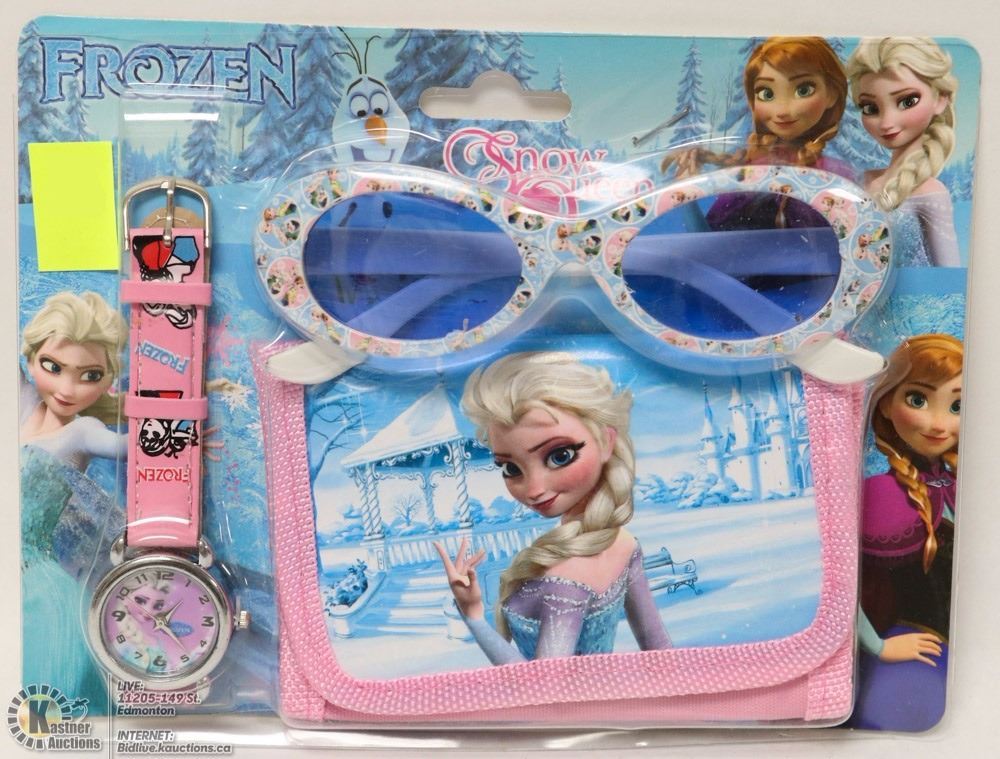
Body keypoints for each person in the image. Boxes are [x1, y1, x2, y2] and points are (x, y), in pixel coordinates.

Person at [434, 352, 672, 664]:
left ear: (606, 441)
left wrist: (474, 618)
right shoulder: (625, 545)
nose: (534, 489)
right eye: (511, 468)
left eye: (560, 456)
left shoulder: (564, 580)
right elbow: (661, 651)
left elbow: (544, 684)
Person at [851, 333, 961, 731]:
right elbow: (836, 584)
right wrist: (877, 646)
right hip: (909, 644)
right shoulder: (881, 494)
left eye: (957, 406)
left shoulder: (958, 484)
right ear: (885, 402)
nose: (939, 424)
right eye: (917, 399)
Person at [663, 36, 849, 178]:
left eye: (803, 90)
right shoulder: (750, 168)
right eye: (766, 94)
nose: (782, 111)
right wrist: (686, 189)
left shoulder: (835, 175)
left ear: (832, 94)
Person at [846, 37, 960, 267]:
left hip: (917, 291)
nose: (886, 123)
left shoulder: (931, 193)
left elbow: (950, 273)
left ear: (941, 99)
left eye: (908, 101)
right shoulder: (861, 181)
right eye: (870, 108)